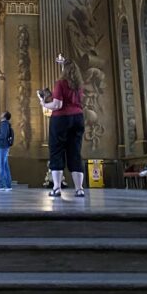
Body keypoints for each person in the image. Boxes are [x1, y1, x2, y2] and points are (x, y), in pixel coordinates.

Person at [38, 55, 85, 199]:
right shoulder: (79, 86)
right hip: (78, 118)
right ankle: (79, 189)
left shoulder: (61, 83)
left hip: (61, 119)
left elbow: (57, 105)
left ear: (64, 70)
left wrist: (44, 103)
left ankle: (57, 188)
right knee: (75, 152)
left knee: (57, 151)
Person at [0, 111, 14, 191]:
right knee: (5, 166)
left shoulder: (4, 124)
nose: (1, 114)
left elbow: (3, 136)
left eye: (2, 113)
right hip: (4, 146)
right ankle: (8, 185)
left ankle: (2, 185)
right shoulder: (6, 124)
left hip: (2, 146)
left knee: (1, 166)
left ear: (4, 116)